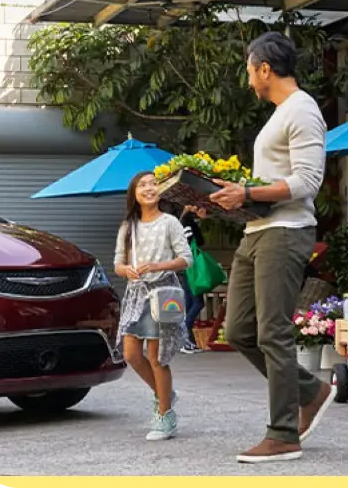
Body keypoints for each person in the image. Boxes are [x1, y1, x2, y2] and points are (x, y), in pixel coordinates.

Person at [210, 31, 333, 464]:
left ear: (265, 68)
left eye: (249, 70)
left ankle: (283, 434)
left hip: (286, 230)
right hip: (257, 231)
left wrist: (246, 193)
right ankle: (310, 391)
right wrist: (233, 196)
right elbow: (266, 185)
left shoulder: (303, 110)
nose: (248, 81)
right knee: (240, 330)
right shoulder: (280, 114)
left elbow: (307, 182)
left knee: (273, 333)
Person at [114, 171, 193, 441]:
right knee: (131, 354)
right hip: (136, 293)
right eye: (143, 185)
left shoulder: (170, 222)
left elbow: (186, 259)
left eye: (154, 184)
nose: (149, 188)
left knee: (157, 357)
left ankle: (164, 416)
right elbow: (117, 263)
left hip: (162, 292)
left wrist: (158, 265)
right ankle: (166, 394)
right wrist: (127, 270)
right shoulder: (128, 226)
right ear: (134, 194)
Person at [179, 205, 207, 354]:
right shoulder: (190, 223)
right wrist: (201, 222)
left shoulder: (180, 222)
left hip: (184, 266)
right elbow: (199, 242)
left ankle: (189, 342)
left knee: (190, 303)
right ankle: (183, 332)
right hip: (193, 267)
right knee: (198, 302)